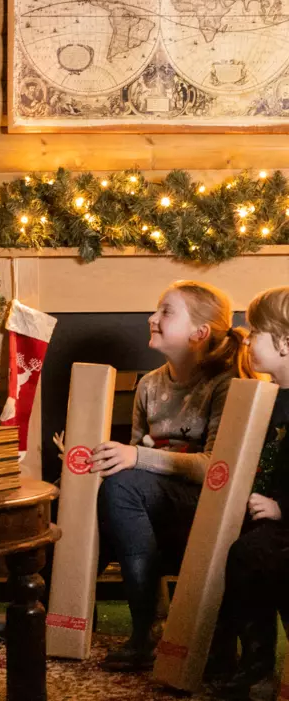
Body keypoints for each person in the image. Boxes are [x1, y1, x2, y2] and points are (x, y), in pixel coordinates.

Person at [93, 280, 255, 671]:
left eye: (166, 312)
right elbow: (134, 458)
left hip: (205, 506)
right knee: (93, 487)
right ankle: (57, 612)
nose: (152, 318)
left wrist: (137, 456)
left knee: (122, 485)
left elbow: (215, 466)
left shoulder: (225, 384)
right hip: (150, 505)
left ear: (199, 333)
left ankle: (143, 630)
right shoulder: (149, 385)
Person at [211, 287, 289, 699]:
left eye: (256, 330)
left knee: (254, 554)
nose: (245, 336)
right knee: (236, 546)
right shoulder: (265, 398)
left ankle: (259, 665)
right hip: (258, 514)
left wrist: (281, 509)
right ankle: (234, 655)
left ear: (286, 341)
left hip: (283, 519)